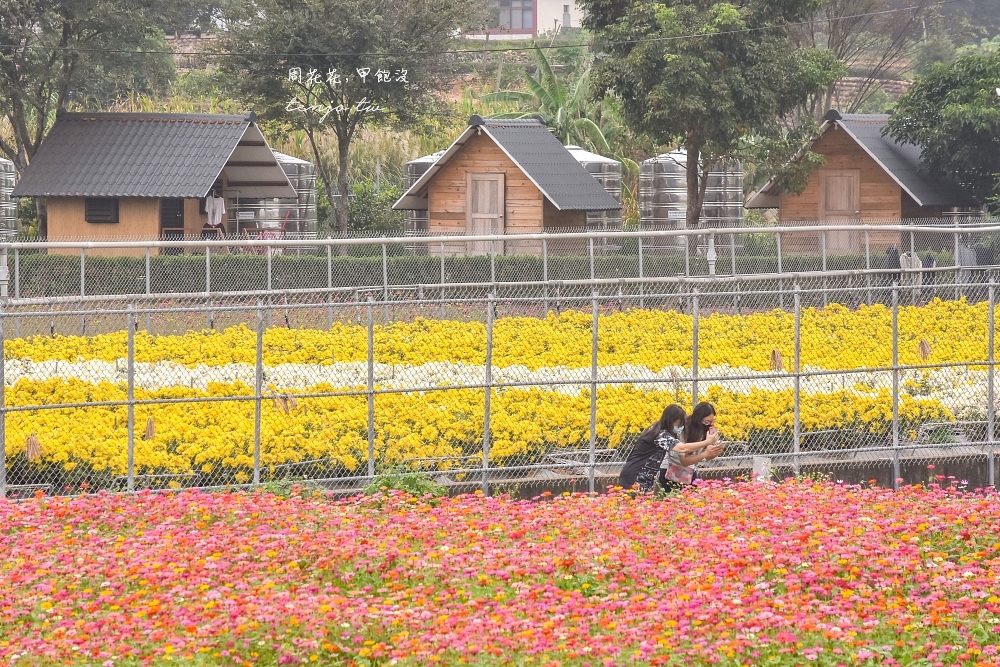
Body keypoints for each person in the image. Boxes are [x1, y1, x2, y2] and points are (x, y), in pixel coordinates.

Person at [618, 405, 715, 493]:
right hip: (635, 477)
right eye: (679, 424)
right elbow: (682, 448)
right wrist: (707, 442)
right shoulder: (660, 434)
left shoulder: (657, 429)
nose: (680, 427)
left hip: (645, 478)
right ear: (672, 420)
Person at [658, 401, 725, 492]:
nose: (709, 425)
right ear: (698, 419)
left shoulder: (705, 430)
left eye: (712, 421)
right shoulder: (683, 428)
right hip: (670, 471)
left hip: (689, 471)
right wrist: (705, 453)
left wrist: (712, 453)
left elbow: (701, 457)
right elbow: (684, 461)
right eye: (706, 422)